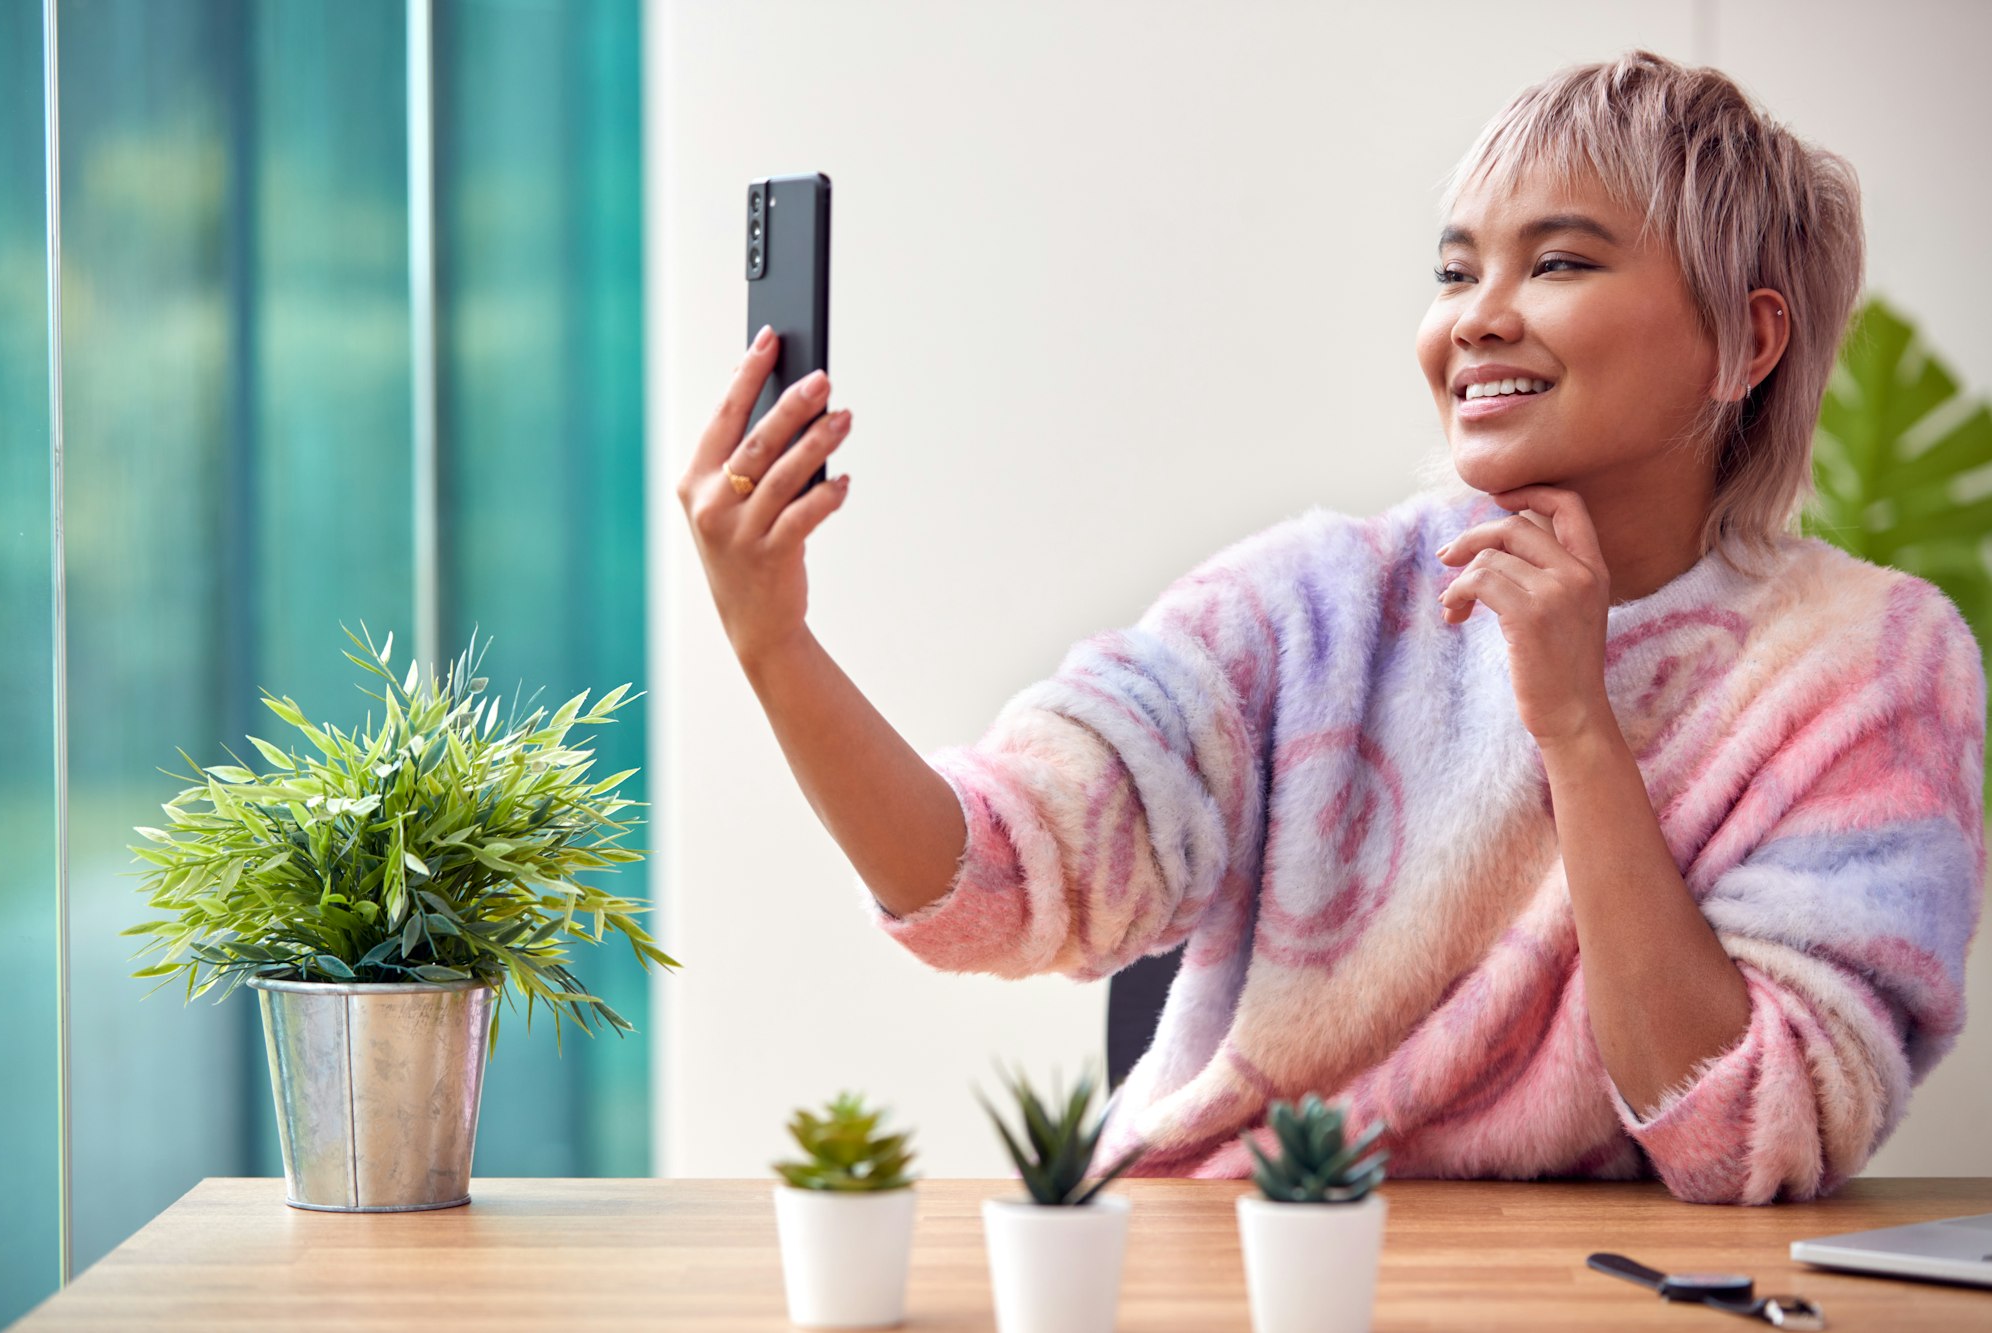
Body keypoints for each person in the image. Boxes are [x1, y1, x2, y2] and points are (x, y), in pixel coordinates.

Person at [678, 50, 1985, 1205]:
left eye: (1562, 259)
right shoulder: (1321, 604)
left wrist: (1577, 724)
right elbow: (991, 881)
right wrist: (776, 648)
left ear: (1744, 340)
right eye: (1457, 268)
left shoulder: (1868, 668)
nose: (1475, 314)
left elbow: (1746, 1132)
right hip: (1228, 1258)